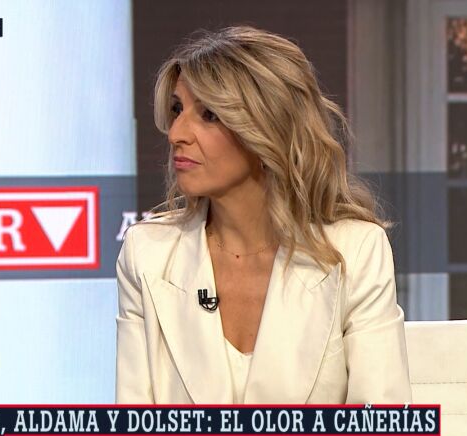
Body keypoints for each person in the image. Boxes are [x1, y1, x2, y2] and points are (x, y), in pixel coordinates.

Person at [115, 25, 412, 404]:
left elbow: (383, 422)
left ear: (266, 126)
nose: (176, 134)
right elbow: (133, 420)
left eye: (209, 114)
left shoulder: (355, 252)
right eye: (177, 110)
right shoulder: (147, 254)